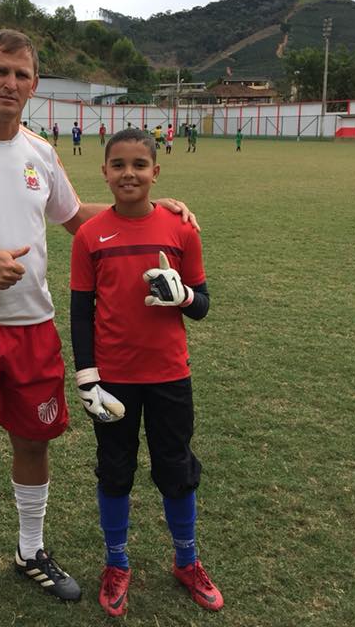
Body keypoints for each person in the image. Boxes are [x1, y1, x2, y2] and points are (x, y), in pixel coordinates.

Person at [0, 30, 199, 624]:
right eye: (0, 71)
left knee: (35, 442)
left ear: (34, 85)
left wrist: (156, 212)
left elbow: (77, 219)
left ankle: (30, 552)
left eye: (22, 75)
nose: (10, 84)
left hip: (34, 326)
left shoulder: (39, 151)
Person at [68, 128, 222, 617]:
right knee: (115, 471)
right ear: (105, 173)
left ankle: (187, 560)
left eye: (139, 164)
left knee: (176, 469)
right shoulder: (90, 236)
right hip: (112, 379)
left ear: (156, 172)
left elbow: (201, 306)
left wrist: (183, 297)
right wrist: (87, 376)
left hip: (169, 377)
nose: (129, 173)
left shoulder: (181, 230)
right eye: (119, 165)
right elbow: (78, 312)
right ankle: (116, 563)